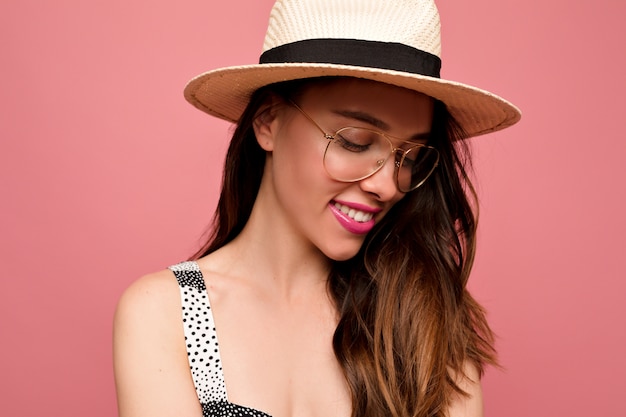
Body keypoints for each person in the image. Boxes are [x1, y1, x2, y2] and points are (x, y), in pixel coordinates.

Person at [113, 0, 520, 416]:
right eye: (355, 141)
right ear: (268, 120)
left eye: (411, 156)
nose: (386, 186)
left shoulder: (426, 324)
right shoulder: (169, 314)